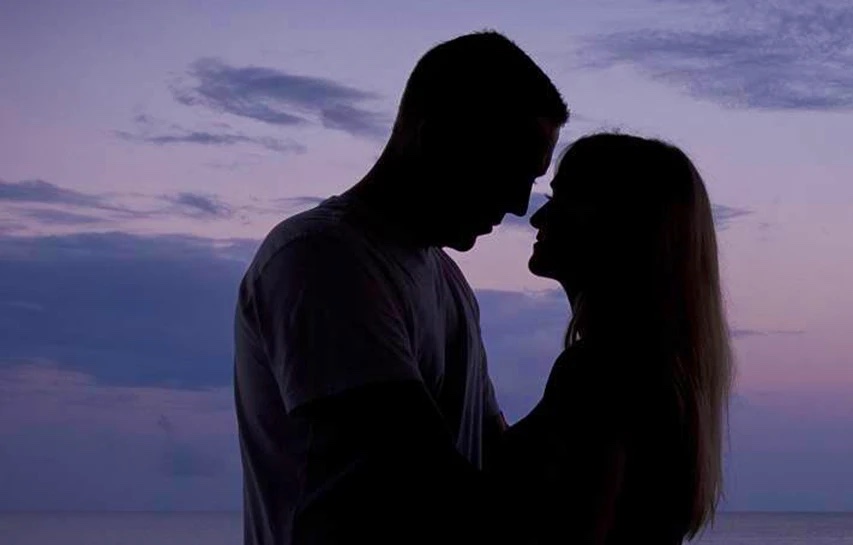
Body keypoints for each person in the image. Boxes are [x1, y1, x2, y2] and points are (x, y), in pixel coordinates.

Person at [232, 31, 567, 545]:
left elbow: (492, 457)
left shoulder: (447, 282)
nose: (520, 206)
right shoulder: (320, 259)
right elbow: (419, 480)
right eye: (508, 169)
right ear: (434, 140)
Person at [493, 133, 734, 544]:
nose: (537, 219)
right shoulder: (657, 373)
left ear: (619, 223)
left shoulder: (598, 373)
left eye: (563, 199)